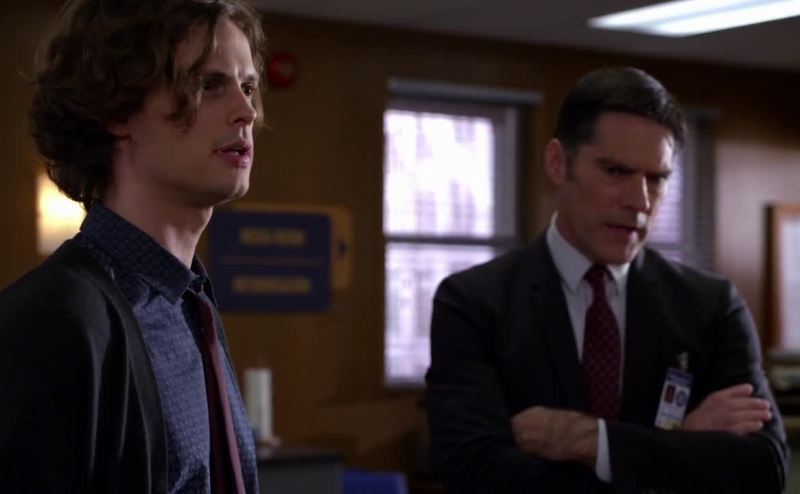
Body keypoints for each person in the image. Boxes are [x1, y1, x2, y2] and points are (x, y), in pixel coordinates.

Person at [425, 67, 789, 493]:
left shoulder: (709, 306)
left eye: (657, 178)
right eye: (616, 172)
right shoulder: (474, 303)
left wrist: (591, 442)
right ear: (558, 163)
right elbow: (474, 473)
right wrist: (678, 447)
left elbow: (763, 469)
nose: (640, 201)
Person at [0, 0, 266, 492]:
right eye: (208, 85)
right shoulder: (52, 319)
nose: (246, 112)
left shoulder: (191, 305)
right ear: (119, 110)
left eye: (247, 86)